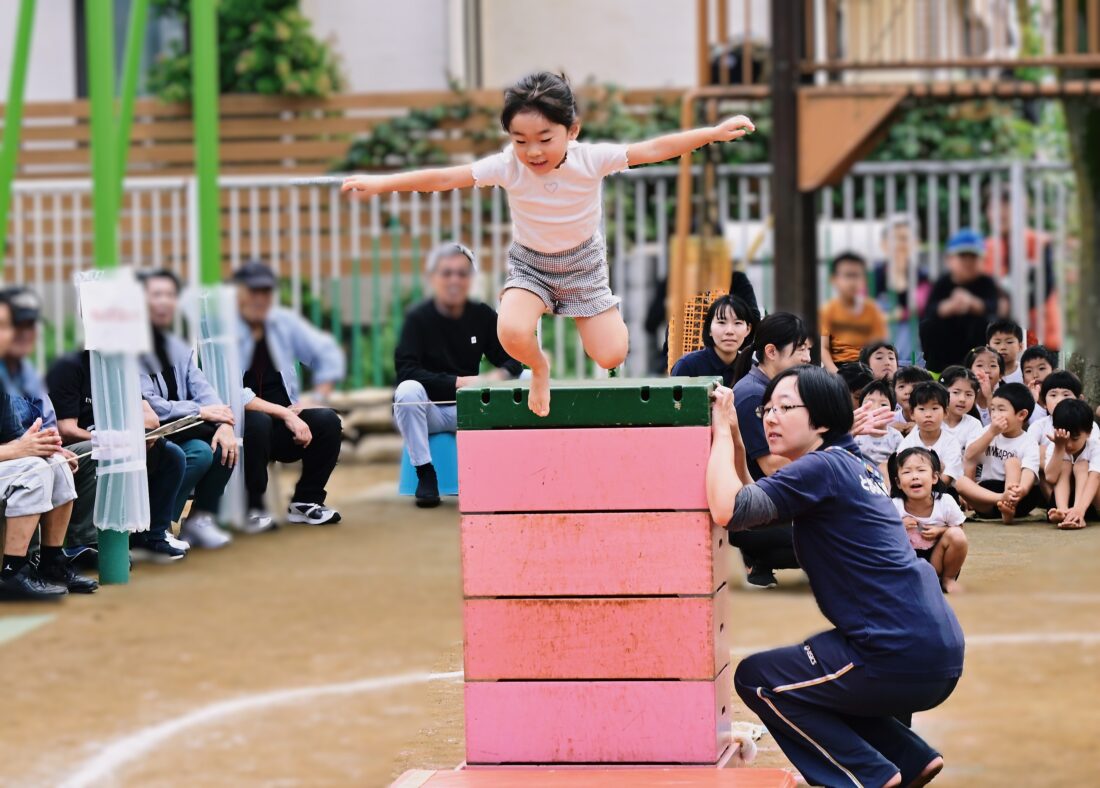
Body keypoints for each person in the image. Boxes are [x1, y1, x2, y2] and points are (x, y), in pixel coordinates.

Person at [343, 71, 755, 417]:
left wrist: (711, 134)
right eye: (520, 140)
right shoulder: (507, 165)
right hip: (532, 265)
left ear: (571, 130)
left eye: (544, 138)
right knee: (509, 331)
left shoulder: (589, 159)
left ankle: (603, 311)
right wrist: (381, 184)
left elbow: (651, 150)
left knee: (611, 355)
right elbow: (443, 178)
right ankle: (541, 369)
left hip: (584, 268)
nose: (532, 151)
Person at [708, 366, 963, 788]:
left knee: (759, 681)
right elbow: (753, 502)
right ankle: (909, 758)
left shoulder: (822, 469)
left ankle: (866, 775)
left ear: (822, 419)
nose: (770, 417)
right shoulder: (850, 463)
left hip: (892, 653)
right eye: (766, 409)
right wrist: (736, 435)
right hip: (932, 648)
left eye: (785, 407)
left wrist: (717, 430)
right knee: (812, 683)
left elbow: (727, 509)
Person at [393, 243, 522, 507]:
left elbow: (512, 358)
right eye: (447, 273)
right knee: (407, 391)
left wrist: (498, 377)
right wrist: (458, 382)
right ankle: (425, 473)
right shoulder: (417, 319)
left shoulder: (482, 315)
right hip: (428, 411)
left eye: (462, 273)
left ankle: (515, 471)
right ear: (434, 278)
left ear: (470, 279)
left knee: (529, 379)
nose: (454, 280)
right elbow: (407, 370)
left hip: (473, 408)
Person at [46, 348, 191, 563]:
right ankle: (84, 543)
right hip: (76, 449)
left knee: (171, 455)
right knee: (103, 451)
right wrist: (113, 439)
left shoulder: (122, 368)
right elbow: (66, 429)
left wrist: (129, 437)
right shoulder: (69, 366)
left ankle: (152, 535)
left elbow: (151, 420)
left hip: (120, 444)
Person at [234, 260, 346, 529]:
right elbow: (232, 393)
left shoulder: (283, 324)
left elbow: (328, 355)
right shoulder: (225, 333)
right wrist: (285, 412)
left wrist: (314, 399)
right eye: (253, 292)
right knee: (258, 422)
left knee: (328, 421)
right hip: (241, 427)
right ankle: (253, 507)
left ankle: (306, 501)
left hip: (284, 426)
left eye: (265, 292)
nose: (259, 298)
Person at [0, 294, 97, 599]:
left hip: (13, 461)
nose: (22, 333)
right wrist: (17, 450)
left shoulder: (23, 372)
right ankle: (13, 572)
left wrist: (52, 448)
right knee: (33, 470)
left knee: (57, 466)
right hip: (11, 461)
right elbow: (20, 446)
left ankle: (52, 561)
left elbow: (48, 429)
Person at [138, 269, 236, 548]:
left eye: (170, 295)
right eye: (157, 295)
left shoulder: (177, 347)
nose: (165, 302)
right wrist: (200, 412)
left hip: (181, 427)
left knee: (224, 444)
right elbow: (149, 404)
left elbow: (205, 391)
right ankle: (159, 524)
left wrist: (225, 424)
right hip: (151, 431)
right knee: (201, 451)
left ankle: (198, 521)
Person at [729, 313, 812, 589]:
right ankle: (757, 552)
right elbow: (772, 465)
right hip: (753, 511)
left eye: (808, 349)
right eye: (800, 349)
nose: (807, 358)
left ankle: (760, 560)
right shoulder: (753, 395)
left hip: (773, 501)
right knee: (835, 533)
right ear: (771, 352)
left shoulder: (774, 389)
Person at [983, 181, 1061, 349]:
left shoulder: (1039, 243)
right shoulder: (985, 248)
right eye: (994, 208)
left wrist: (1010, 307)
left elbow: (1045, 287)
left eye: (1007, 208)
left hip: (1040, 336)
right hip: (998, 339)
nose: (1000, 214)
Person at [888, 447, 969, 593]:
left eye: (921, 470)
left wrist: (940, 530)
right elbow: (880, 535)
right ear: (898, 482)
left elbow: (959, 529)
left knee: (956, 535)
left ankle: (947, 579)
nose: (914, 476)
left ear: (934, 477)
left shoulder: (945, 502)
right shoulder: (894, 505)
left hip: (936, 561)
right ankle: (903, 581)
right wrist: (898, 526)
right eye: (907, 472)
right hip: (906, 562)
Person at [920, 229, 1000, 373]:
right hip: (943, 352)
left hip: (975, 349)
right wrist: (947, 307)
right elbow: (929, 309)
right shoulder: (942, 283)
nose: (968, 262)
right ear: (950, 259)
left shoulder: (986, 282)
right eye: (963, 256)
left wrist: (972, 303)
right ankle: (936, 370)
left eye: (973, 257)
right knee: (929, 324)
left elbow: (994, 306)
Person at [962, 382, 1044, 523]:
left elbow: (1029, 471)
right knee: (960, 482)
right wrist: (991, 433)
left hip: (1020, 497)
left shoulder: (1028, 441)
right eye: (993, 409)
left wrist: (1021, 490)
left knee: (1012, 462)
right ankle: (1003, 502)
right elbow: (969, 455)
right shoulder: (987, 431)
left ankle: (1009, 508)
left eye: (1001, 409)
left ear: (1021, 415)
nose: (995, 414)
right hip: (989, 495)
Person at [872, 215, 930, 365]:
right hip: (875, 361)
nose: (899, 244)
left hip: (912, 360)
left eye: (904, 238)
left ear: (915, 243)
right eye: (894, 238)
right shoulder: (873, 276)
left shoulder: (922, 277)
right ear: (884, 243)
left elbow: (919, 307)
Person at [819, 252, 887, 373]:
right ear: (834, 279)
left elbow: (878, 347)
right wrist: (837, 374)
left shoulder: (872, 310)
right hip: (837, 368)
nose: (852, 281)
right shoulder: (827, 311)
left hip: (865, 369)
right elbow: (824, 348)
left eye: (857, 276)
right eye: (847, 275)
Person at [670, 294, 758, 387]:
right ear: (709, 329)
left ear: (748, 329)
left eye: (737, 323)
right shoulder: (688, 366)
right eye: (721, 322)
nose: (729, 331)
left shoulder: (753, 370)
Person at [1044, 399, 1100, 529]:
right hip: (1064, 500)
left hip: (1092, 503)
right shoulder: (1056, 445)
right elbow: (1050, 478)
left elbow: (1095, 478)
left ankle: (1076, 513)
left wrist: (1079, 509)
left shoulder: (1096, 447)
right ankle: (1063, 511)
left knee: (1082, 465)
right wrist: (1059, 447)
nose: (1068, 444)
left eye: (1074, 439)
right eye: (1065, 439)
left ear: (1089, 432)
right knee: (1064, 464)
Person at [854, 379, 902, 480]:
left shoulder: (895, 436)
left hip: (886, 480)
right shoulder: (855, 432)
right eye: (869, 403)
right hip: (859, 476)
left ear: (892, 411)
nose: (876, 408)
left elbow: (902, 461)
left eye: (883, 405)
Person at [939, 366, 985, 458]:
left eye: (969, 394)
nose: (962, 399)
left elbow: (972, 457)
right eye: (956, 392)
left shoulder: (973, 424)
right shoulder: (932, 420)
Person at [964, 345, 1004, 425]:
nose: (986, 370)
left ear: (1000, 376)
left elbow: (1000, 424)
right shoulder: (962, 397)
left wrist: (989, 396)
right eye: (979, 365)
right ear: (969, 372)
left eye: (993, 365)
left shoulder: (1006, 398)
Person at [892, 365, 933, 435]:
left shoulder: (935, 418)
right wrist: (888, 430)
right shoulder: (890, 420)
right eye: (901, 386)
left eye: (915, 386)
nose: (907, 391)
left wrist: (922, 429)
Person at [1020, 344, 1057, 421]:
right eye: (1028, 371)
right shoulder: (1019, 404)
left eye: (1041, 368)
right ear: (1023, 379)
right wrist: (1030, 402)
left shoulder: (1061, 400)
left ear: (1054, 371)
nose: (1035, 375)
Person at [986, 318, 1025, 384]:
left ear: (1020, 346)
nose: (1002, 347)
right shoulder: (985, 373)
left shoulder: (1025, 372)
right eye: (997, 343)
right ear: (988, 348)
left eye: (1009, 342)